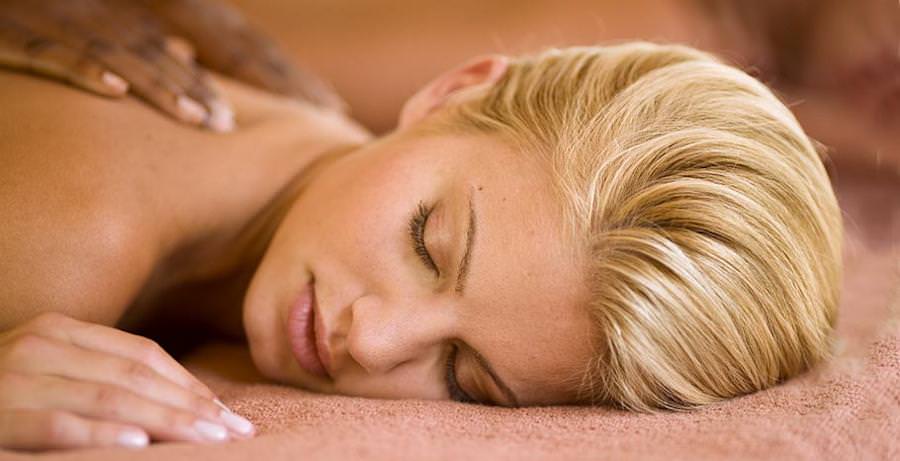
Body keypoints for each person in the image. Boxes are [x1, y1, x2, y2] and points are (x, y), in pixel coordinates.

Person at [0, 13, 843, 456]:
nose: (372, 340)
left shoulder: (307, 135)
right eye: (425, 243)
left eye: (464, 377)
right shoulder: (73, 245)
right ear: (453, 91)